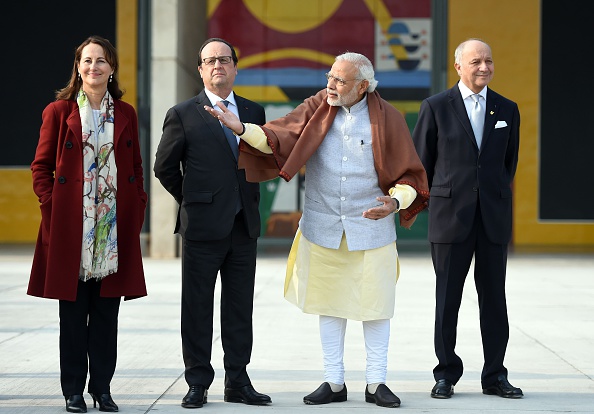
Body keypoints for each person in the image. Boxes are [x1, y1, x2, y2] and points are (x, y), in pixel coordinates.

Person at [207, 52, 429, 408]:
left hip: (371, 231)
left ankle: (377, 383)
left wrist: (395, 202)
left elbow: (409, 177)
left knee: (376, 307)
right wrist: (241, 129)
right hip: (322, 225)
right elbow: (277, 137)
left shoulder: (390, 118)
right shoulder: (317, 106)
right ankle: (334, 381)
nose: (330, 85)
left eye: (340, 81)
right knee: (330, 304)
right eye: (330, 76)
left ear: (363, 86)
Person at [27, 35, 148, 413]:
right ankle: (73, 392)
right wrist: (53, 205)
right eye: (86, 60)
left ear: (112, 68)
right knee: (74, 317)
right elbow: (41, 168)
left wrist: (137, 205)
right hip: (71, 231)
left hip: (112, 230)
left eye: (101, 61)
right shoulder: (58, 111)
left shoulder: (126, 113)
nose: (93, 67)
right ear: (78, 68)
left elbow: (137, 170)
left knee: (107, 318)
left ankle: (103, 389)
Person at [153, 38, 271, 409]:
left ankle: (238, 380)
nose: (217, 65)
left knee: (239, 309)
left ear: (235, 67)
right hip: (202, 227)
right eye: (209, 61)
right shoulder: (183, 113)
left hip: (243, 226)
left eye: (224, 59)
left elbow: (264, 159)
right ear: (201, 70)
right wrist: (193, 200)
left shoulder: (254, 110)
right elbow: (164, 168)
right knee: (198, 307)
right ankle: (198, 382)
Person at [412, 39, 522, 399]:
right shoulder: (436, 107)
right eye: (476, 61)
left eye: (489, 61)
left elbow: (509, 164)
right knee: (447, 300)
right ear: (458, 66)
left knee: (494, 299)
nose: (484, 67)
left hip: (492, 217)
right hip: (450, 218)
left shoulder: (508, 108)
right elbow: (421, 165)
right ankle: (446, 374)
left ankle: (495, 375)